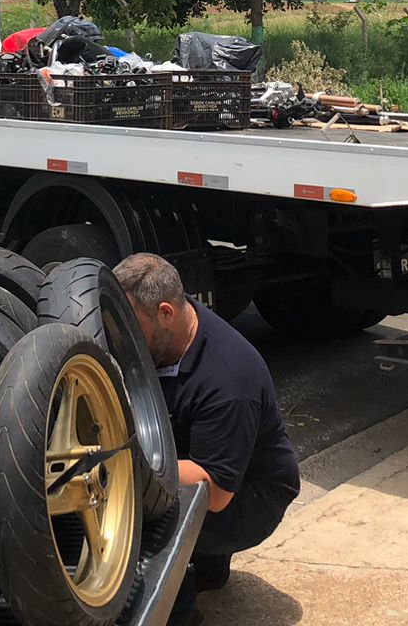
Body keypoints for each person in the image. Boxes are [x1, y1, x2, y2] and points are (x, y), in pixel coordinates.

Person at [114, 253, 300, 625]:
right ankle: (210, 567)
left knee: (141, 505)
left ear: (166, 313)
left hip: (251, 498)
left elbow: (214, 492)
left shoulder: (228, 377)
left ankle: (176, 614)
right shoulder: (174, 333)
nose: (124, 337)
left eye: (133, 326)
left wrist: (123, 466)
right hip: (222, 466)